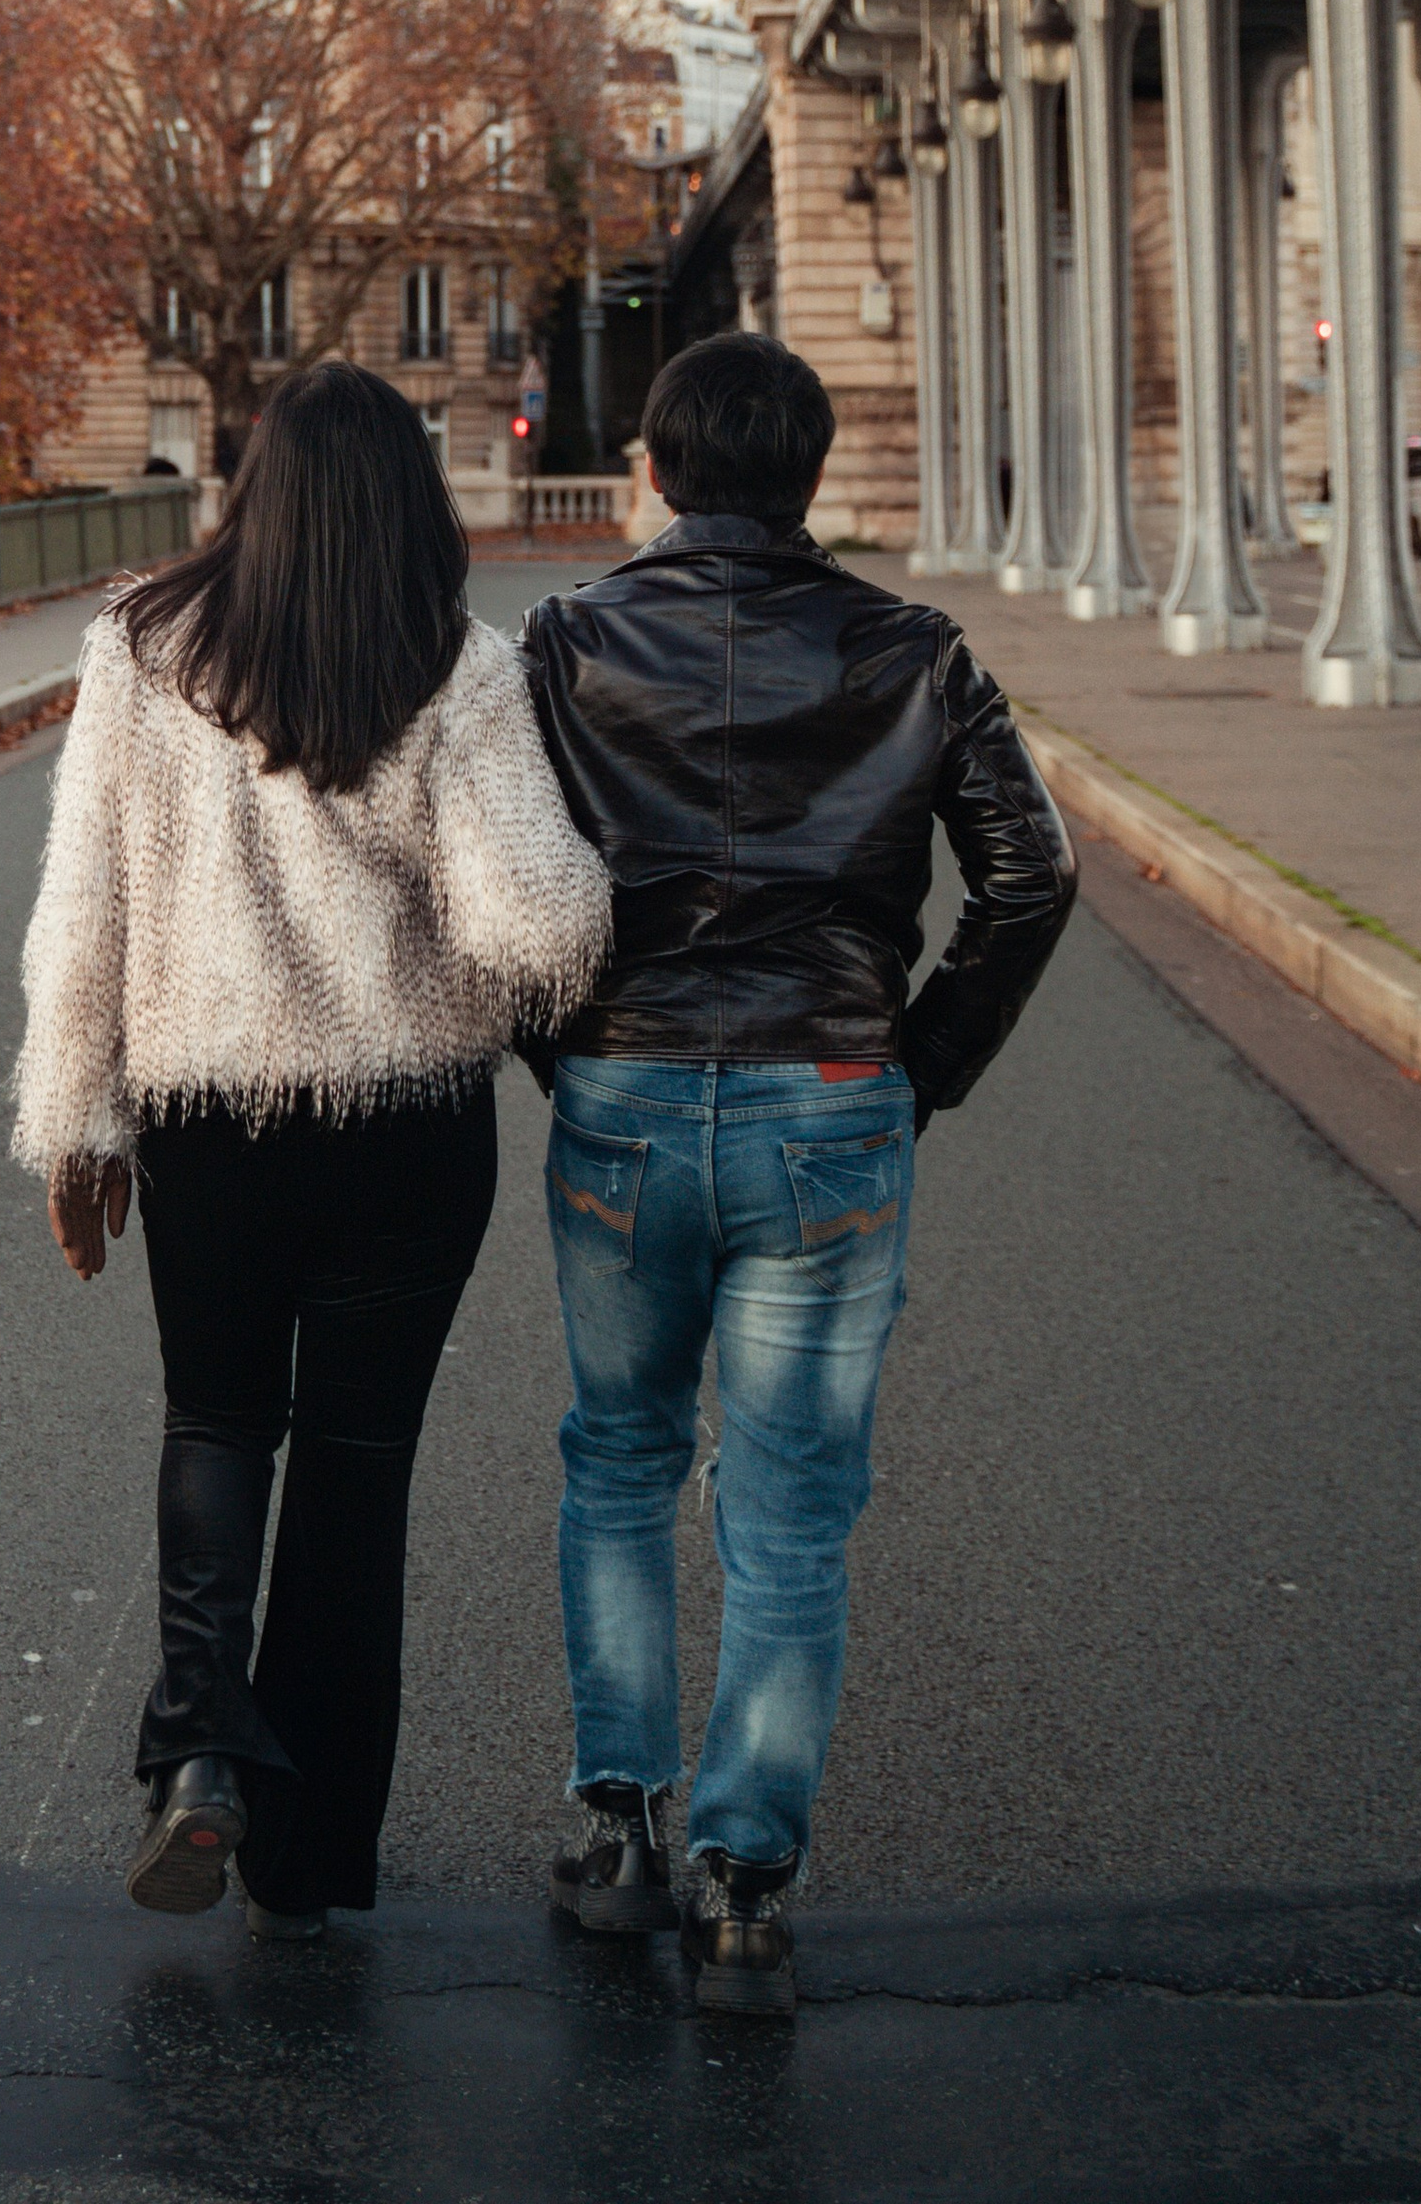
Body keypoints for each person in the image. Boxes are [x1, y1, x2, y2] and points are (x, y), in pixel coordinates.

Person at [12, 360, 611, 1935]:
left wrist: (79, 1126)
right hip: (407, 1129)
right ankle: (313, 1849)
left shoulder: (140, 653)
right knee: (358, 1473)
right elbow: (533, 923)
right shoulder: (457, 666)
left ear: (252, 486)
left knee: (215, 1422)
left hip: (210, 1120)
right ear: (407, 496)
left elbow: (82, 918)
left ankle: (200, 1751)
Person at [519, 330, 1076, 2015]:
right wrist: (920, 1067)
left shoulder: (574, 640)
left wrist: (566, 1041)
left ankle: (618, 1825)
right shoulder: (913, 650)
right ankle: (748, 1872)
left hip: (625, 1081)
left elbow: (496, 876)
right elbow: (1028, 878)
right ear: (812, 472)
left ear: (663, 468)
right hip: (831, 1088)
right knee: (789, 1506)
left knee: (619, 1455)